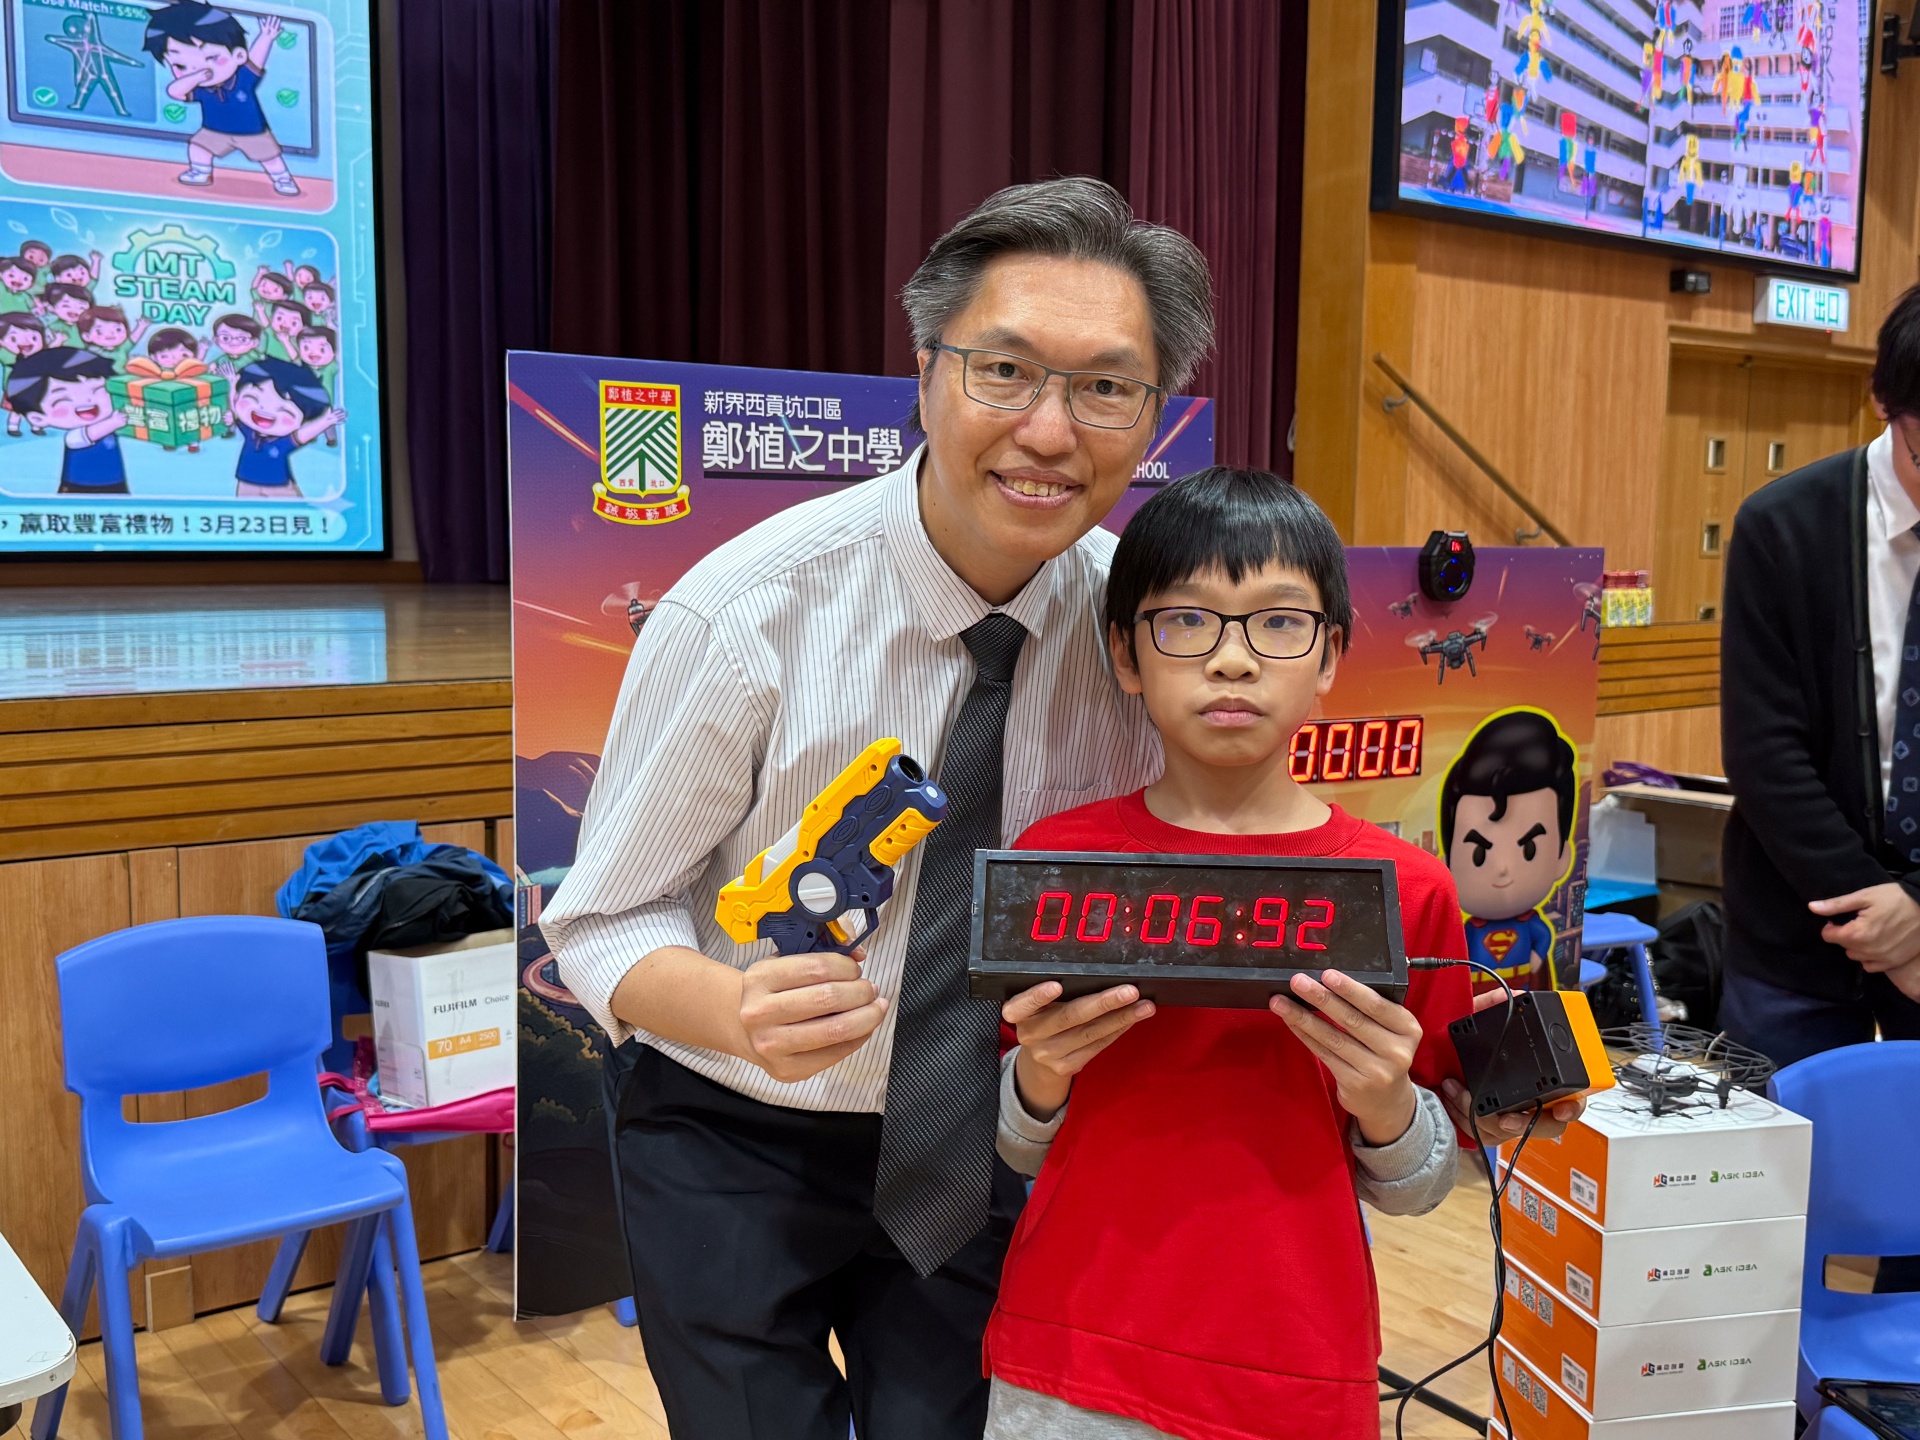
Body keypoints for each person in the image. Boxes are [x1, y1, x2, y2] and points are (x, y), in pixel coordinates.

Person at [538, 177, 1211, 1440]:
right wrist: (734, 1010)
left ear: (1152, 418)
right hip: (737, 1133)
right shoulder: (744, 611)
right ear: (924, 369)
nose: (1049, 431)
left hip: (990, 1139)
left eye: (1105, 388)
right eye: (1004, 370)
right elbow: (602, 918)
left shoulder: (1149, 630)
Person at [983, 470, 1475, 1439]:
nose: (1234, 661)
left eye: (1279, 623)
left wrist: (1383, 1100)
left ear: (1330, 654)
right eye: (1186, 622)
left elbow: (1423, 1183)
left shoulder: (1408, 890)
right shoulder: (1057, 864)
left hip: (1297, 1368)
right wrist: (1039, 1074)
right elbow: (1016, 1141)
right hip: (1070, 1359)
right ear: (1125, 653)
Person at [1721, 283, 1920, 1290]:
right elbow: (1765, 752)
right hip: (1794, 930)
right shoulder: (1784, 525)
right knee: (1761, 1224)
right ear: (1886, 405)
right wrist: (1879, 914)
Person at [1440, 709, 1579, 995]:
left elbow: (1543, 940)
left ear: (1562, 857)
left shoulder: (1531, 925)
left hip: (1522, 988)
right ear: (1446, 865)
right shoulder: (1470, 930)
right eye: (1479, 853)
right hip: (1477, 994)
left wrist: (1537, 957)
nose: (1502, 867)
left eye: (1529, 849)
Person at [143, 1, 301, 196]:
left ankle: (282, 178)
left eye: (211, 58)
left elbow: (256, 60)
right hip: (213, 132)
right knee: (198, 146)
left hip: (253, 133)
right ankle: (200, 172)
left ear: (239, 56)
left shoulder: (243, 79)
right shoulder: (201, 89)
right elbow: (174, 91)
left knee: (270, 157)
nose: (200, 68)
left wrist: (266, 37)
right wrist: (195, 77)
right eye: (181, 66)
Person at [2, 347, 130, 494]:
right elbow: (87, 436)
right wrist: (113, 423)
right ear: (37, 418)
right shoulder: (75, 436)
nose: (87, 400)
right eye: (64, 399)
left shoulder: (110, 423)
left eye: (97, 390)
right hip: (78, 486)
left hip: (116, 483)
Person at [227, 357, 344, 497]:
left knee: (294, 507)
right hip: (246, 482)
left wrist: (325, 422)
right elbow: (235, 410)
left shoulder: (282, 442)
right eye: (254, 398)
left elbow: (302, 434)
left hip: (279, 485)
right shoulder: (250, 433)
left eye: (282, 409)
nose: (263, 408)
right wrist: (233, 385)